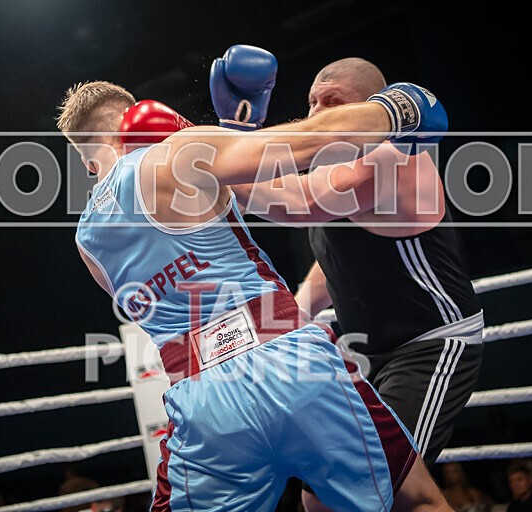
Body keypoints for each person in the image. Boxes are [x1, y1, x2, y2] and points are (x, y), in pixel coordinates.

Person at [59, 47, 451, 511]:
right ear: (131, 118)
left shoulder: (88, 242)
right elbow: (305, 143)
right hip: (288, 360)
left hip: (201, 400)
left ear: (87, 163)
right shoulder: (177, 153)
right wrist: (395, 110)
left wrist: (231, 137)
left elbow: (195, 229)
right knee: (416, 501)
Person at [221, 56, 483, 511]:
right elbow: (335, 257)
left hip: (432, 344)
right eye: (313, 103)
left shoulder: (395, 157)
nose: (319, 114)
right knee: (320, 497)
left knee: (390, 487)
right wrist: (296, 315)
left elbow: (296, 204)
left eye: (334, 102)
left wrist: (211, 163)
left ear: (367, 110)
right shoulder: (331, 171)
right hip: (364, 351)